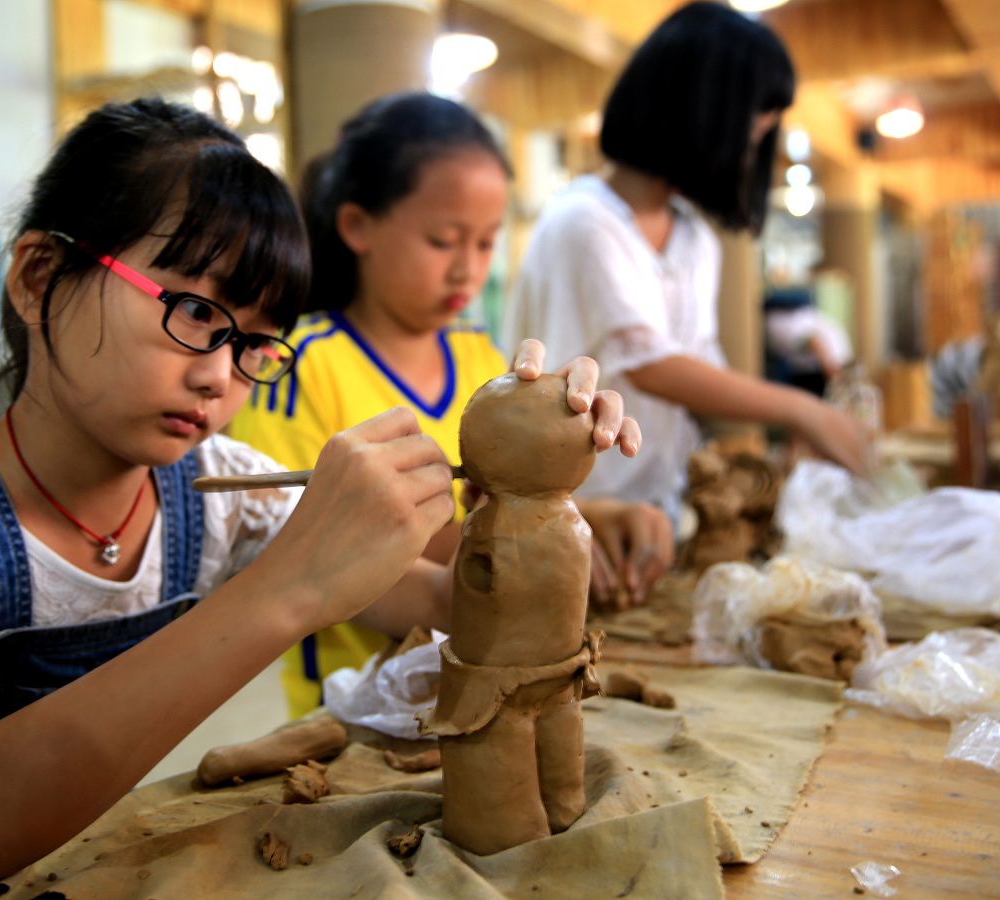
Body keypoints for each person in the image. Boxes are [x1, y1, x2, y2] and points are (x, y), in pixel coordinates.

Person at [0, 97, 639, 900]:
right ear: (40, 277)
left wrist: (537, 501)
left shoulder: (216, 488)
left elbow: (453, 605)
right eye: (194, 312)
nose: (219, 376)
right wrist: (286, 589)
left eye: (255, 344)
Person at [228, 92, 672, 718]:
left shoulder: (475, 355)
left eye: (488, 244)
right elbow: (295, 552)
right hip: (353, 710)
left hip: (486, 684)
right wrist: (522, 555)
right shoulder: (300, 366)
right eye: (444, 240)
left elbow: (491, 507)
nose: (468, 270)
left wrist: (587, 509)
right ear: (357, 226)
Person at [503, 1, 871, 520]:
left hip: (658, 500)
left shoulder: (696, 240)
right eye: (750, 133)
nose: (749, 152)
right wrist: (802, 412)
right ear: (700, 110)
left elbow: (700, 370)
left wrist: (764, 466)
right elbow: (650, 364)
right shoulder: (585, 220)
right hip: (569, 508)